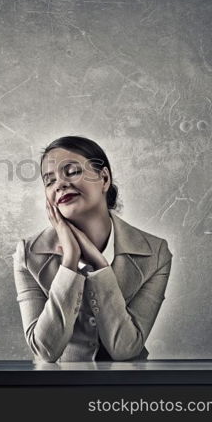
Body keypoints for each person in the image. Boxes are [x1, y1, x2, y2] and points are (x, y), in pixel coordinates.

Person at [11, 136, 173, 362]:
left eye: (72, 171)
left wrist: (100, 266)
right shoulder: (28, 255)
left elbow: (125, 349)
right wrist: (69, 262)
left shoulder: (155, 253)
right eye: (49, 181)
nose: (60, 184)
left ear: (104, 178)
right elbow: (45, 351)